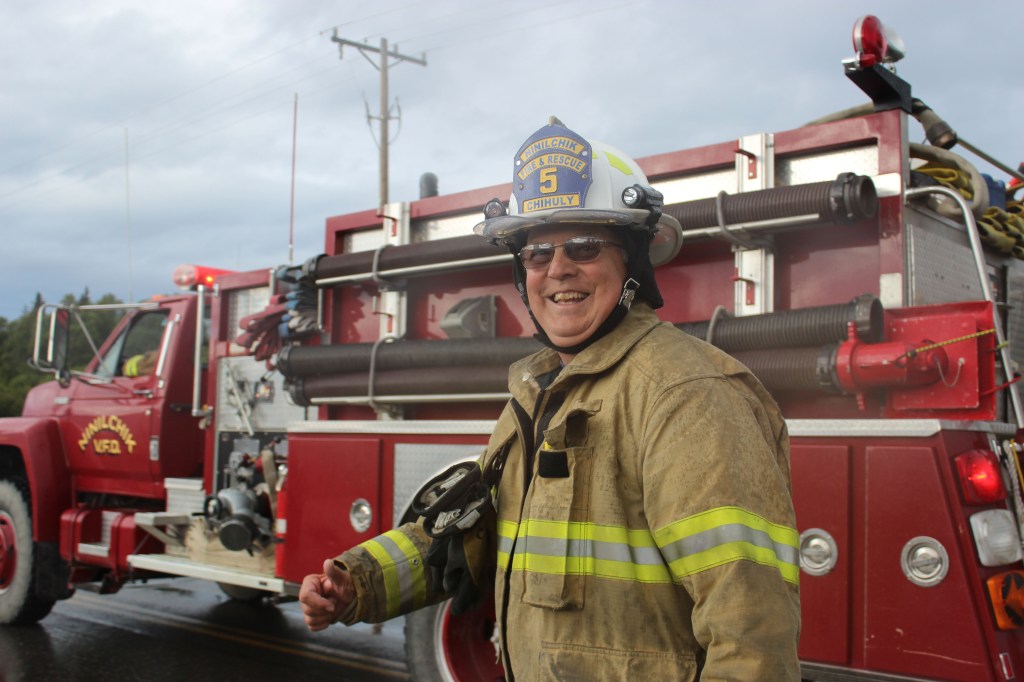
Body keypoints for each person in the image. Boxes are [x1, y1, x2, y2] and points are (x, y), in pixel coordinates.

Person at [299, 118, 801, 680]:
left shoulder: (686, 395)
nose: (558, 268)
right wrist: (357, 583)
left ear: (632, 262)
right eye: (537, 254)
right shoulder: (540, 392)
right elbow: (472, 531)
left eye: (585, 247)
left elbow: (750, 626)